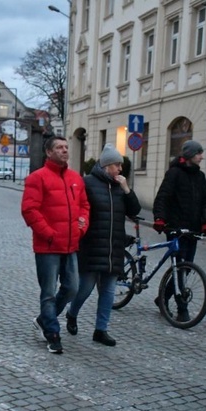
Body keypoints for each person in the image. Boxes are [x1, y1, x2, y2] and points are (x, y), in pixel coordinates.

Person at [65, 144, 141, 347]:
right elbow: (78, 208)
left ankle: (101, 329)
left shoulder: (120, 187)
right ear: (107, 165)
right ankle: (72, 313)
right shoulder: (88, 183)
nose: (120, 169)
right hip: (91, 245)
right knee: (85, 288)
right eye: (117, 165)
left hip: (114, 246)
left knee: (108, 290)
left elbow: (135, 210)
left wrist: (127, 190)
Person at [21, 136, 90, 354]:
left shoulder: (75, 178)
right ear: (49, 152)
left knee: (72, 288)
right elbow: (29, 210)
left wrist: (82, 226)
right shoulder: (37, 178)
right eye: (59, 147)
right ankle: (52, 333)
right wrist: (49, 234)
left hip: (71, 245)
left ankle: (43, 319)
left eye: (66, 147)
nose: (65, 150)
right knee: (48, 293)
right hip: (48, 246)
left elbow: (84, 207)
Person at [152, 140, 206, 321]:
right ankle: (182, 307)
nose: (201, 156)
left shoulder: (200, 176)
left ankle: (162, 298)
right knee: (179, 267)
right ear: (189, 155)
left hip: (192, 229)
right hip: (174, 227)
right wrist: (160, 219)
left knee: (185, 268)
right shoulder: (174, 174)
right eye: (199, 153)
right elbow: (163, 197)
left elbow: (205, 201)